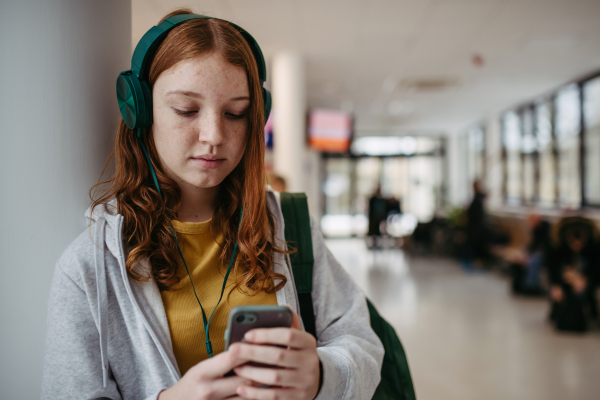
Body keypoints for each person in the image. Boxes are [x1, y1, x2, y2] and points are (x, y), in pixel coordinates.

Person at [41, 10, 383, 400]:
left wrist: (322, 374)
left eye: (236, 113)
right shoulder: (90, 265)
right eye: (187, 110)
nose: (214, 135)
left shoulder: (288, 225)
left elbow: (363, 344)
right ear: (139, 109)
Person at [547, 216, 600, 332]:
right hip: (565, 280)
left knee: (581, 291)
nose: (576, 246)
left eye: (580, 243)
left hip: (586, 280)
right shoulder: (558, 246)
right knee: (561, 292)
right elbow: (552, 268)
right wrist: (556, 284)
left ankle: (585, 314)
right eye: (573, 243)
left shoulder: (594, 247)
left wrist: (586, 280)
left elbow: (596, 270)